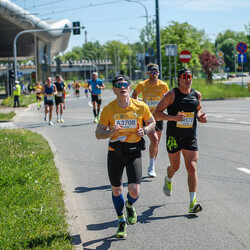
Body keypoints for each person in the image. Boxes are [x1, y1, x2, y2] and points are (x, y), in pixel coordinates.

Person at [95, 75, 155, 238]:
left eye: (125, 84)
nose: (122, 87)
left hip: (134, 150)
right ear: (114, 89)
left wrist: (146, 130)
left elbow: (152, 121)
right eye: (118, 85)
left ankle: (129, 205)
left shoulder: (140, 106)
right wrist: (111, 132)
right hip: (115, 152)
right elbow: (98, 133)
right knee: (116, 189)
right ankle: (121, 221)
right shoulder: (108, 109)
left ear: (129, 88)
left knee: (134, 191)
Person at [153, 68, 207, 213]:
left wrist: (200, 117)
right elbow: (156, 114)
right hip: (174, 137)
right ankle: (169, 178)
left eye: (189, 76)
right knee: (175, 167)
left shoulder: (196, 94)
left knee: (192, 166)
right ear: (178, 79)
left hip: (190, 137)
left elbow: (198, 109)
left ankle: (192, 202)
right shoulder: (171, 95)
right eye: (184, 76)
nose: (187, 79)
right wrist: (173, 118)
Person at [132, 63, 169, 177]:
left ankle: (152, 165)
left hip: (158, 116)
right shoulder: (142, 84)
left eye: (156, 72)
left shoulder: (163, 85)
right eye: (152, 72)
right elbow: (134, 95)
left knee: (155, 142)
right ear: (148, 73)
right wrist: (138, 105)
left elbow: (168, 98)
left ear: (158, 73)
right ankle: (141, 164)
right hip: (146, 117)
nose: (154, 74)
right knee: (153, 140)